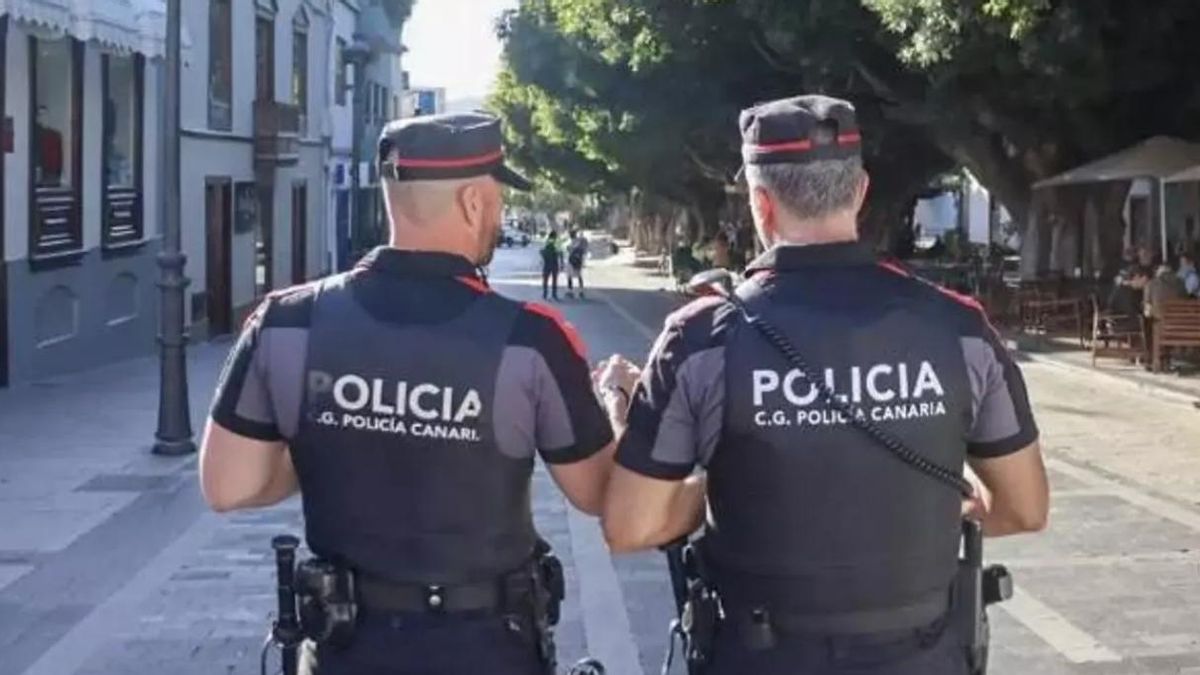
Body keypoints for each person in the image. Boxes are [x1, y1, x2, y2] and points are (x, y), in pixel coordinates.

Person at [594, 95, 1049, 675]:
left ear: (761, 203)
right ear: (860, 191)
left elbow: (633, 525)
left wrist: (703, 477)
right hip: (925, 656)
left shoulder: (700, 340)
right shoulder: (961, 328)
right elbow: (1024, 509)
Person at [199, 112, 617, 675]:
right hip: (487, 651)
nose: (497, 215)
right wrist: (620, 406)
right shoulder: (532, 340)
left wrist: (331, 433)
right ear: (473, 202)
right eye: (497, 199)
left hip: (344, 651)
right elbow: (599, 494)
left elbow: (228, 486)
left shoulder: (286, 322)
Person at [566, 229, 589, 299]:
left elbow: (570, 249)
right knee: (579, 276)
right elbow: (584, 250)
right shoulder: (579, 241)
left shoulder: (572, 242)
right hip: (579, 261)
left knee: (569, 276)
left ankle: (570, 291)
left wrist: (569, 248)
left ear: (571, 235)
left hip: (571, 260)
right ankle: (581, 291)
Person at [541, 230, 562, 301]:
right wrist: (561, 263)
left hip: (547, 263)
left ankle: (545, 294)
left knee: (545, 279)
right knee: (554, 279)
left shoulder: (546, 241)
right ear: (555, 236)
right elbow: (560, 252)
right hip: (554, 263)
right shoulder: (557, 242)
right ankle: (554, 294)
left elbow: (542, 251)